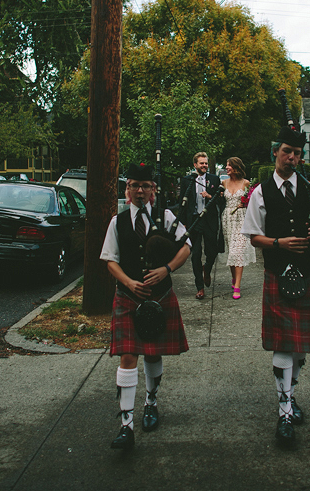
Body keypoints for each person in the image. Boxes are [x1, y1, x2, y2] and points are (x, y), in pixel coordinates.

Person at [240, 126, 310, 448]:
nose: (292, 157)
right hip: (279, 272)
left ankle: (290, 395)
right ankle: (284, 411)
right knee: (284, 344)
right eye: (287, 151)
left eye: (297, 153)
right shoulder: (260, 192)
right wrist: (279, 242)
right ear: (276, 152)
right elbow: (252, 236)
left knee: (299, 346)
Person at [100, 163, 191, 450]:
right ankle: (126, 425)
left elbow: (186, 247)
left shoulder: (166, 217)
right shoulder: (118, 221)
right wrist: (128, 282)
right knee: (128, 356)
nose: (140, 190)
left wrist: (167, 269)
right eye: (134, 185)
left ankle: (151, 402)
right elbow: (110, 260)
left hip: (160, 296)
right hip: (129, 297)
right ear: (127, 189)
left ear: (153, 190)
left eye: (146, 186)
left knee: (152, 355)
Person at [178, 152, 223, 300]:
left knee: (212, 251)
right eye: (201, 163)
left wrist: (210, 196)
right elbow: (182, 204)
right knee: (195, 254)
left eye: (206, 163)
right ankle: (200, 287)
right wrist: (183, 222)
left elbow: (222, 201)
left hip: (209, 220)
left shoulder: (214, 180)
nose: (204, 165)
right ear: (195, 165)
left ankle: (207, 268)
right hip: (194, 221)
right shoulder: (187, 180)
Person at [221, 157, 256, 299]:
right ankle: (234, 278)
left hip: (242, 219)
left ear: (235, 167)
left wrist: (246, 204)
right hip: (228, 219)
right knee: (231, 251)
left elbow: (253, 201)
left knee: (238, 251)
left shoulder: (246, 183)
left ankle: (237, 287)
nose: (226, 167)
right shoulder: (223, 183)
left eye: (229, 165)